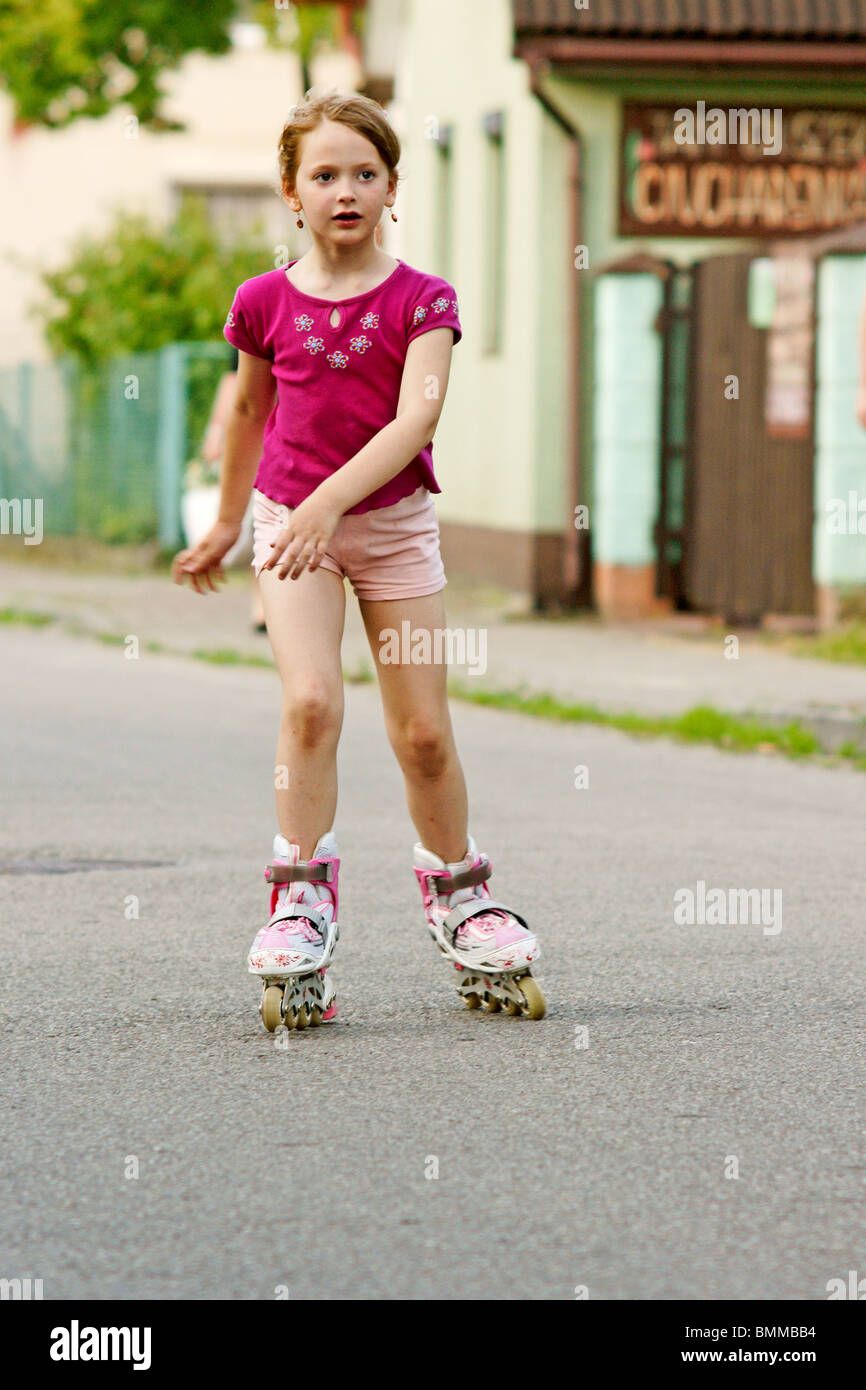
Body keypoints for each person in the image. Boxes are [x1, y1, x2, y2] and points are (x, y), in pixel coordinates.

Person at [171, 90, 544, 1030]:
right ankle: (299, 897)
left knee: (422, 735)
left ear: (390, 188)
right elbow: (251, 414)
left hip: (391, 527)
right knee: (311, 702)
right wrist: (225, 524)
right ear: (291, 192)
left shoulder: (424, 300)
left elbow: (416, 416)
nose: (346, 191)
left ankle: (461, 893)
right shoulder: (263, 301)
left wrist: (327, 504)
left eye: (365, 174)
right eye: (325, 175)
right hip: (288, 530)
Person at [195, 346, 266, 630]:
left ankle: (264, 605)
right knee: (260, 528)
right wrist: (215, 435)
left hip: (272, 443)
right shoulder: (256, 312)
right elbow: (234, 381)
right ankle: (261, 604)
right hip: (254, 446)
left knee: (263, 528)